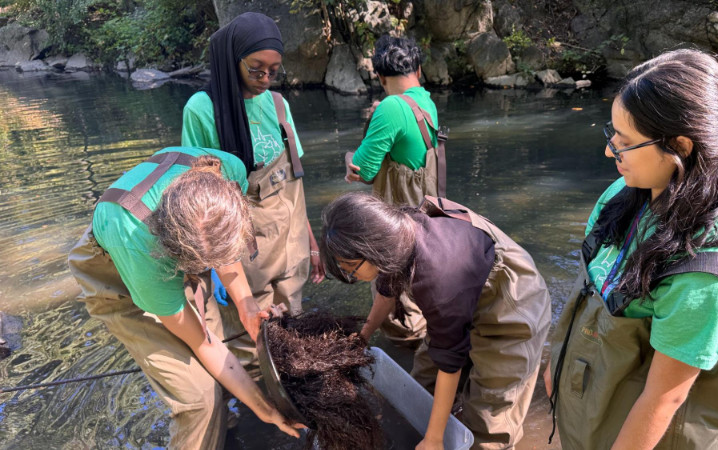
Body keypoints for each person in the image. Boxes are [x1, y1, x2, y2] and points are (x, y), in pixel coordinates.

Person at [544, 49, 718, 449]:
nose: (609, 151)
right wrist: (556, 368)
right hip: (592, 408)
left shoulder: (704, 272)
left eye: (625, 142)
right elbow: (590, 284)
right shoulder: (624, 194)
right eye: (611, 134)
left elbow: (665, 397)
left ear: (680, 147)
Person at [68, 147, 305, 449]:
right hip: (118, 268)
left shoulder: (227, 170)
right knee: (198, 396)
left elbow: (222, 244)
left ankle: (225, 427)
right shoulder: (143, 250)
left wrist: (247, 306)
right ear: (177, 251)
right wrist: (265, 409)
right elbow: (204, 344)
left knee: (220, 360)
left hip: (188, 243)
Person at [320, 192, 552, 449]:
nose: (349, 274)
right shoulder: (394, 236)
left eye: (350, 267)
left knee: (488, 420)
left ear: (371, 249)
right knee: (416, 389)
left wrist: (433, 439)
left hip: (510, 307)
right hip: (460, 297)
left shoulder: (438, 278)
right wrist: (363, 336)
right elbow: (388, 292)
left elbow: (450, 363)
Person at [181, 13, 323, 341]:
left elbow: (294, 185)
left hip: (291, 249)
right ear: (234, 60)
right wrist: (215, 265)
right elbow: (202, 198)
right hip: (245, 257)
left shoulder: (278, 105)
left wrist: (312, 244)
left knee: (293, 334)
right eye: (256, 69)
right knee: (253, 341)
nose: (265, 79)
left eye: (274, 71)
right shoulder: (202, 109)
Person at [344, 35, 447, 346]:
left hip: (399, 223)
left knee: (393, 294)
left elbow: (363, 172)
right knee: (414, 292)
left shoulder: (390, 107)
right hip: (425, 217)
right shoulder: (425, 102)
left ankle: (399, 348)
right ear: (416, 67)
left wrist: (347, 157)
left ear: (380, 77)